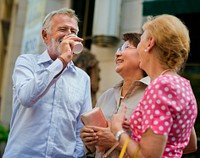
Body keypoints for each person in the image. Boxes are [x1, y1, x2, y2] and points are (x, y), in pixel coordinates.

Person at [3, 8, 92, 158]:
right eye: (63, 29)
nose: (69, 35)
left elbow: (81, 127)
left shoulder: (83, 78)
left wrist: (76, 155)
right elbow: (26, 98)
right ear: (45, 35)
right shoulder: (26, 62)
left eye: (73, 31)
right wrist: (61, 61)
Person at [110, 14, 198, 158]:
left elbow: (147, 156)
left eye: (141, 40)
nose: (138, 46)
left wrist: (118, 131)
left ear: (150, 43)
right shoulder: (182, 83)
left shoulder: (160, 86)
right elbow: (189, 144)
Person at [80, 33, 150, 158]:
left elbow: (156, 151)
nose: (118, 54)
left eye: (126, 48)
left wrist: (116, 142)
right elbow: (91, 151)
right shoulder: (106, 96)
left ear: (143, 55)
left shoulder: (153, 95)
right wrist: (89, 140)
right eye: (119, 49)